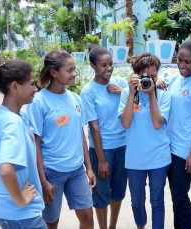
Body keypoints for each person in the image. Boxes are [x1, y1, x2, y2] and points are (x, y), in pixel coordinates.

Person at [27, 50, 96, 229]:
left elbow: (81, 136)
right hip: (52, 172)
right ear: (54, 72)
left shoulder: (75, 98)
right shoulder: (39, 102)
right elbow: (36, 144)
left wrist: (88, 168)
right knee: (51, 221)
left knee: (88, 216)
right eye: (70, 70)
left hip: (77, 171)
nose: (74, 73)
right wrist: (43, 182)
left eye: (74, 69)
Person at [0, 55, 46, 229]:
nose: (36, 89)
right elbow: (5, 170)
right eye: (32, 84)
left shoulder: (15, 115)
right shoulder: (13, 122)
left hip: (10, 210)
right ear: (15, 86)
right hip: (18, 212)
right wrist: (20, 198)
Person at [157, 29, 191, 229]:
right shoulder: (176, 79)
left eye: (187, 62)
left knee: (179, 195)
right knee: (176, 196)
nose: (182, 65)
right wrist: (160, 86)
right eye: (179, 60)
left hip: (185, 149)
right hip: (169, 145)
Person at [118, 52, 171, 229]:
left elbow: (157, 124)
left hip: (159, 158)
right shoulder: (127, 93)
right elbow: (125, 123)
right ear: (136, 76)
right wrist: (133, 92)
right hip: (134, 159)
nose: (150, 80)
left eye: (154, 76)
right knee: (136, 202)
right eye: (144, 77)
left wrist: (151, 95)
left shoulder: (163, 95)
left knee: (157, 202)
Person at [80, 45, 128, 229]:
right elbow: (93, 127)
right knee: (101, 194)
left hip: (123, 147)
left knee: (118, 191)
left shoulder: (120, 83)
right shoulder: (88, 91)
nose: (109, 69)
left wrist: (122, 92)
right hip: (102, 150)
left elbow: (137, 103)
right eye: (103, 65)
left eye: (111, 64)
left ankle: (112, 226)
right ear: (92, 66)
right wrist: (101, 160)